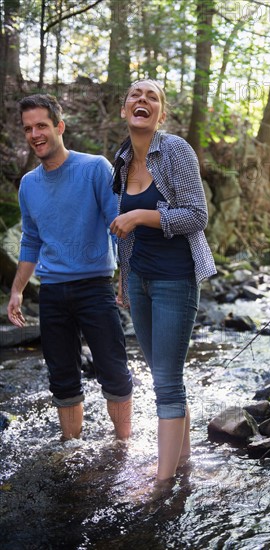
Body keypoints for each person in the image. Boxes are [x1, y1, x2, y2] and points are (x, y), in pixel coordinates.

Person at [7, 94, 133, 441]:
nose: (35, 134)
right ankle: (72, 448)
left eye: (41, 126)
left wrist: (126, 278)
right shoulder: (29, 184)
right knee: (62, 378)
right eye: (28, 128)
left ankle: (123, 445)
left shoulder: (94, 168)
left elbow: (118, 225)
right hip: (52, 293)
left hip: (95, 287)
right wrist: (17, 289)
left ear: (59, 127)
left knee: (114, 372)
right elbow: (30, 240)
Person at [110, 79, 216, 484]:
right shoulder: (121, 159)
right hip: (140, 280)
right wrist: (124, 279)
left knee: (167, 383)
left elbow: (196, 216)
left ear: (161, 114)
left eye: (151, 96)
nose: (142, 100)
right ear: (125, 111)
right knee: (162, 374)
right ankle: (182, 462)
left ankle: (161, 483)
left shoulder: (175, 151)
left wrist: (141, 215)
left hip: (176, 279)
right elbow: (124, 233)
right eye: (135, 95)